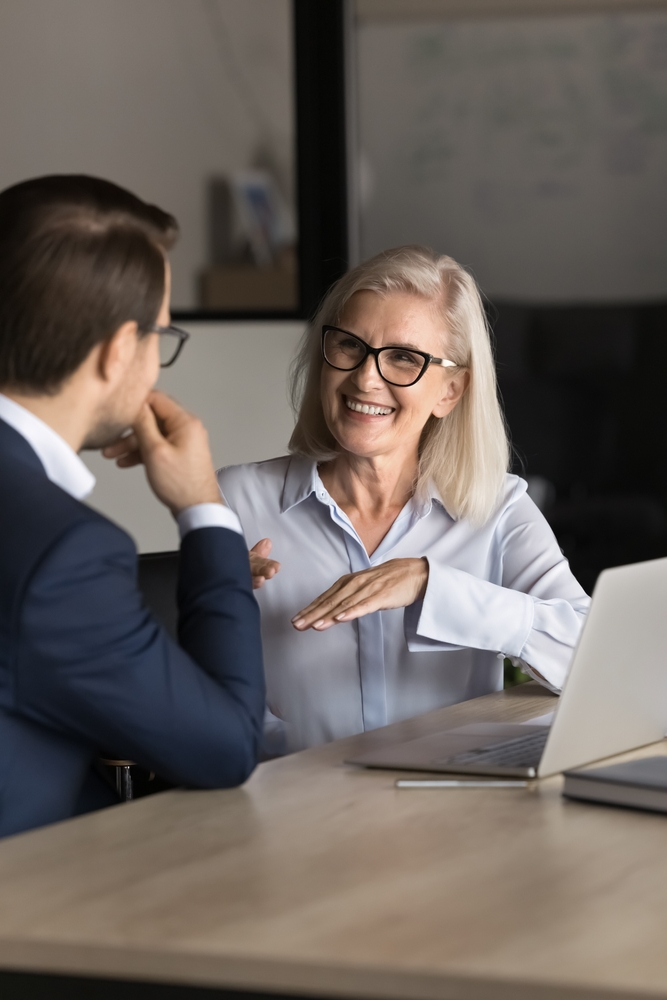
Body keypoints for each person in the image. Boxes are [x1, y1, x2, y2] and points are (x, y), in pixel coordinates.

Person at [218, 246, 590, 754]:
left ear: (450, 391)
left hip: (452, 812)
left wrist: (431, 585)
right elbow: (190, 698)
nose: (365, 379)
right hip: (293, 809)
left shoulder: (496, 507)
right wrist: (206, 609)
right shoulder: (237, 500)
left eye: (403, 358)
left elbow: (598, 660)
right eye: (349, 345)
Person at [0, 175, 265, 838]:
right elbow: (226, 746)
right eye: (159, 339)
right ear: (119, 351)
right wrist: (203, 507)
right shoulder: (64, 554)